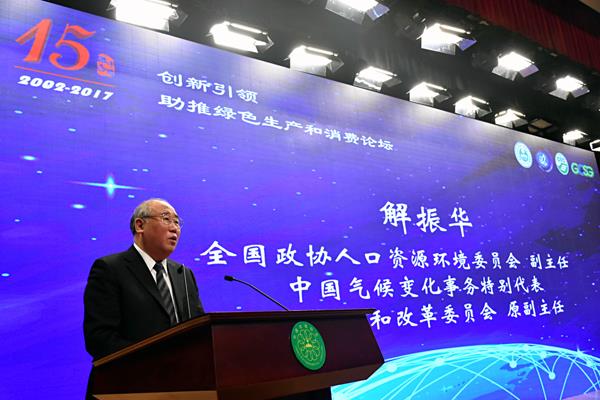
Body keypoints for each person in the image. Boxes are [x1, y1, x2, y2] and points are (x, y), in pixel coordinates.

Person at [83, 198, 204, 361]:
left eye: (177, 222)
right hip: (132, 373)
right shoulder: (110, 269)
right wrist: (156, 361)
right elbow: (99, 338)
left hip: (184, 373)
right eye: (166, 219)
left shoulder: (183, 274)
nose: (174, 228)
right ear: (140, 225)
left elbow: (198, 329)